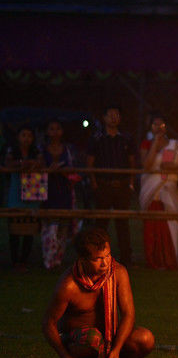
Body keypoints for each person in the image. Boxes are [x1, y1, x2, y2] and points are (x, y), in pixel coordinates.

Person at [42, 227, 154, 358]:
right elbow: (48, 323)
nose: (105, 264)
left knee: (145, 338)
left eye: (107, 256)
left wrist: (116, 351)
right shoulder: (69, 285)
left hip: (110, 340)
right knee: (92, 339)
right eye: (97, 259)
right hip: (81, 343)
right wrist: (66, 357)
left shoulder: (118, 272)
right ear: (82, 259)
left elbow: (128, 315)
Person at [86, 106, 136, 266]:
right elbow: (90, 162)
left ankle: (126, 258)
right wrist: (94, 183)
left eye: (117, 114)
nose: (114, 117)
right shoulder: (97, 138)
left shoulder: (126, 139)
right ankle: (96, 256)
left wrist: (130, 183)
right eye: (111, 115)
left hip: (122, 186)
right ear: (104, 118)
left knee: (123, 223)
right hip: (103, 185)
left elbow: (132, 162)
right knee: (101, 223)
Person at [139, 114, 178, 269]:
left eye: (161, 125)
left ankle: (169, 259)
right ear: (150, 127)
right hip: (151, 189)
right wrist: (155, 144)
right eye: (155, 125)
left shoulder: (174, 144)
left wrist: (174, 167)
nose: (158, 128)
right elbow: (146, 166)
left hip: (168, 188)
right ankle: (153, 260)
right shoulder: (146, 144)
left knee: (169, 223)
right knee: (152, 225)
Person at [40, 119, 80, 270]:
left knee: (63, 227)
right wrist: (49, 169)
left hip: (64, 191)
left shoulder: (68, 150)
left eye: (58, 128)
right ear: (47, 131)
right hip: (48, 191)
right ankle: (48, 259)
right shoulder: (41, 150)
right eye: (51, 128)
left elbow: (75, 169)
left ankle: (58, 260)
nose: (55, 132)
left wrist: (64, 171)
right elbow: (38, 167)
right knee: (50, 226)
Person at [4, 125, 42, 272]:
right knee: (14, 229)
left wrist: (31, 164)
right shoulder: (11, 150)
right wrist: (22, 164)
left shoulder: (36, 151)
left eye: (29, 136)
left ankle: (24, 261)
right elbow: (8, 164)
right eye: (23, 135)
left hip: (32, 193)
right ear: (18, 137)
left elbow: (41, 163)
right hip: (15, 193)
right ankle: (15, 261)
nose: (26, 138)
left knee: (29, 230)